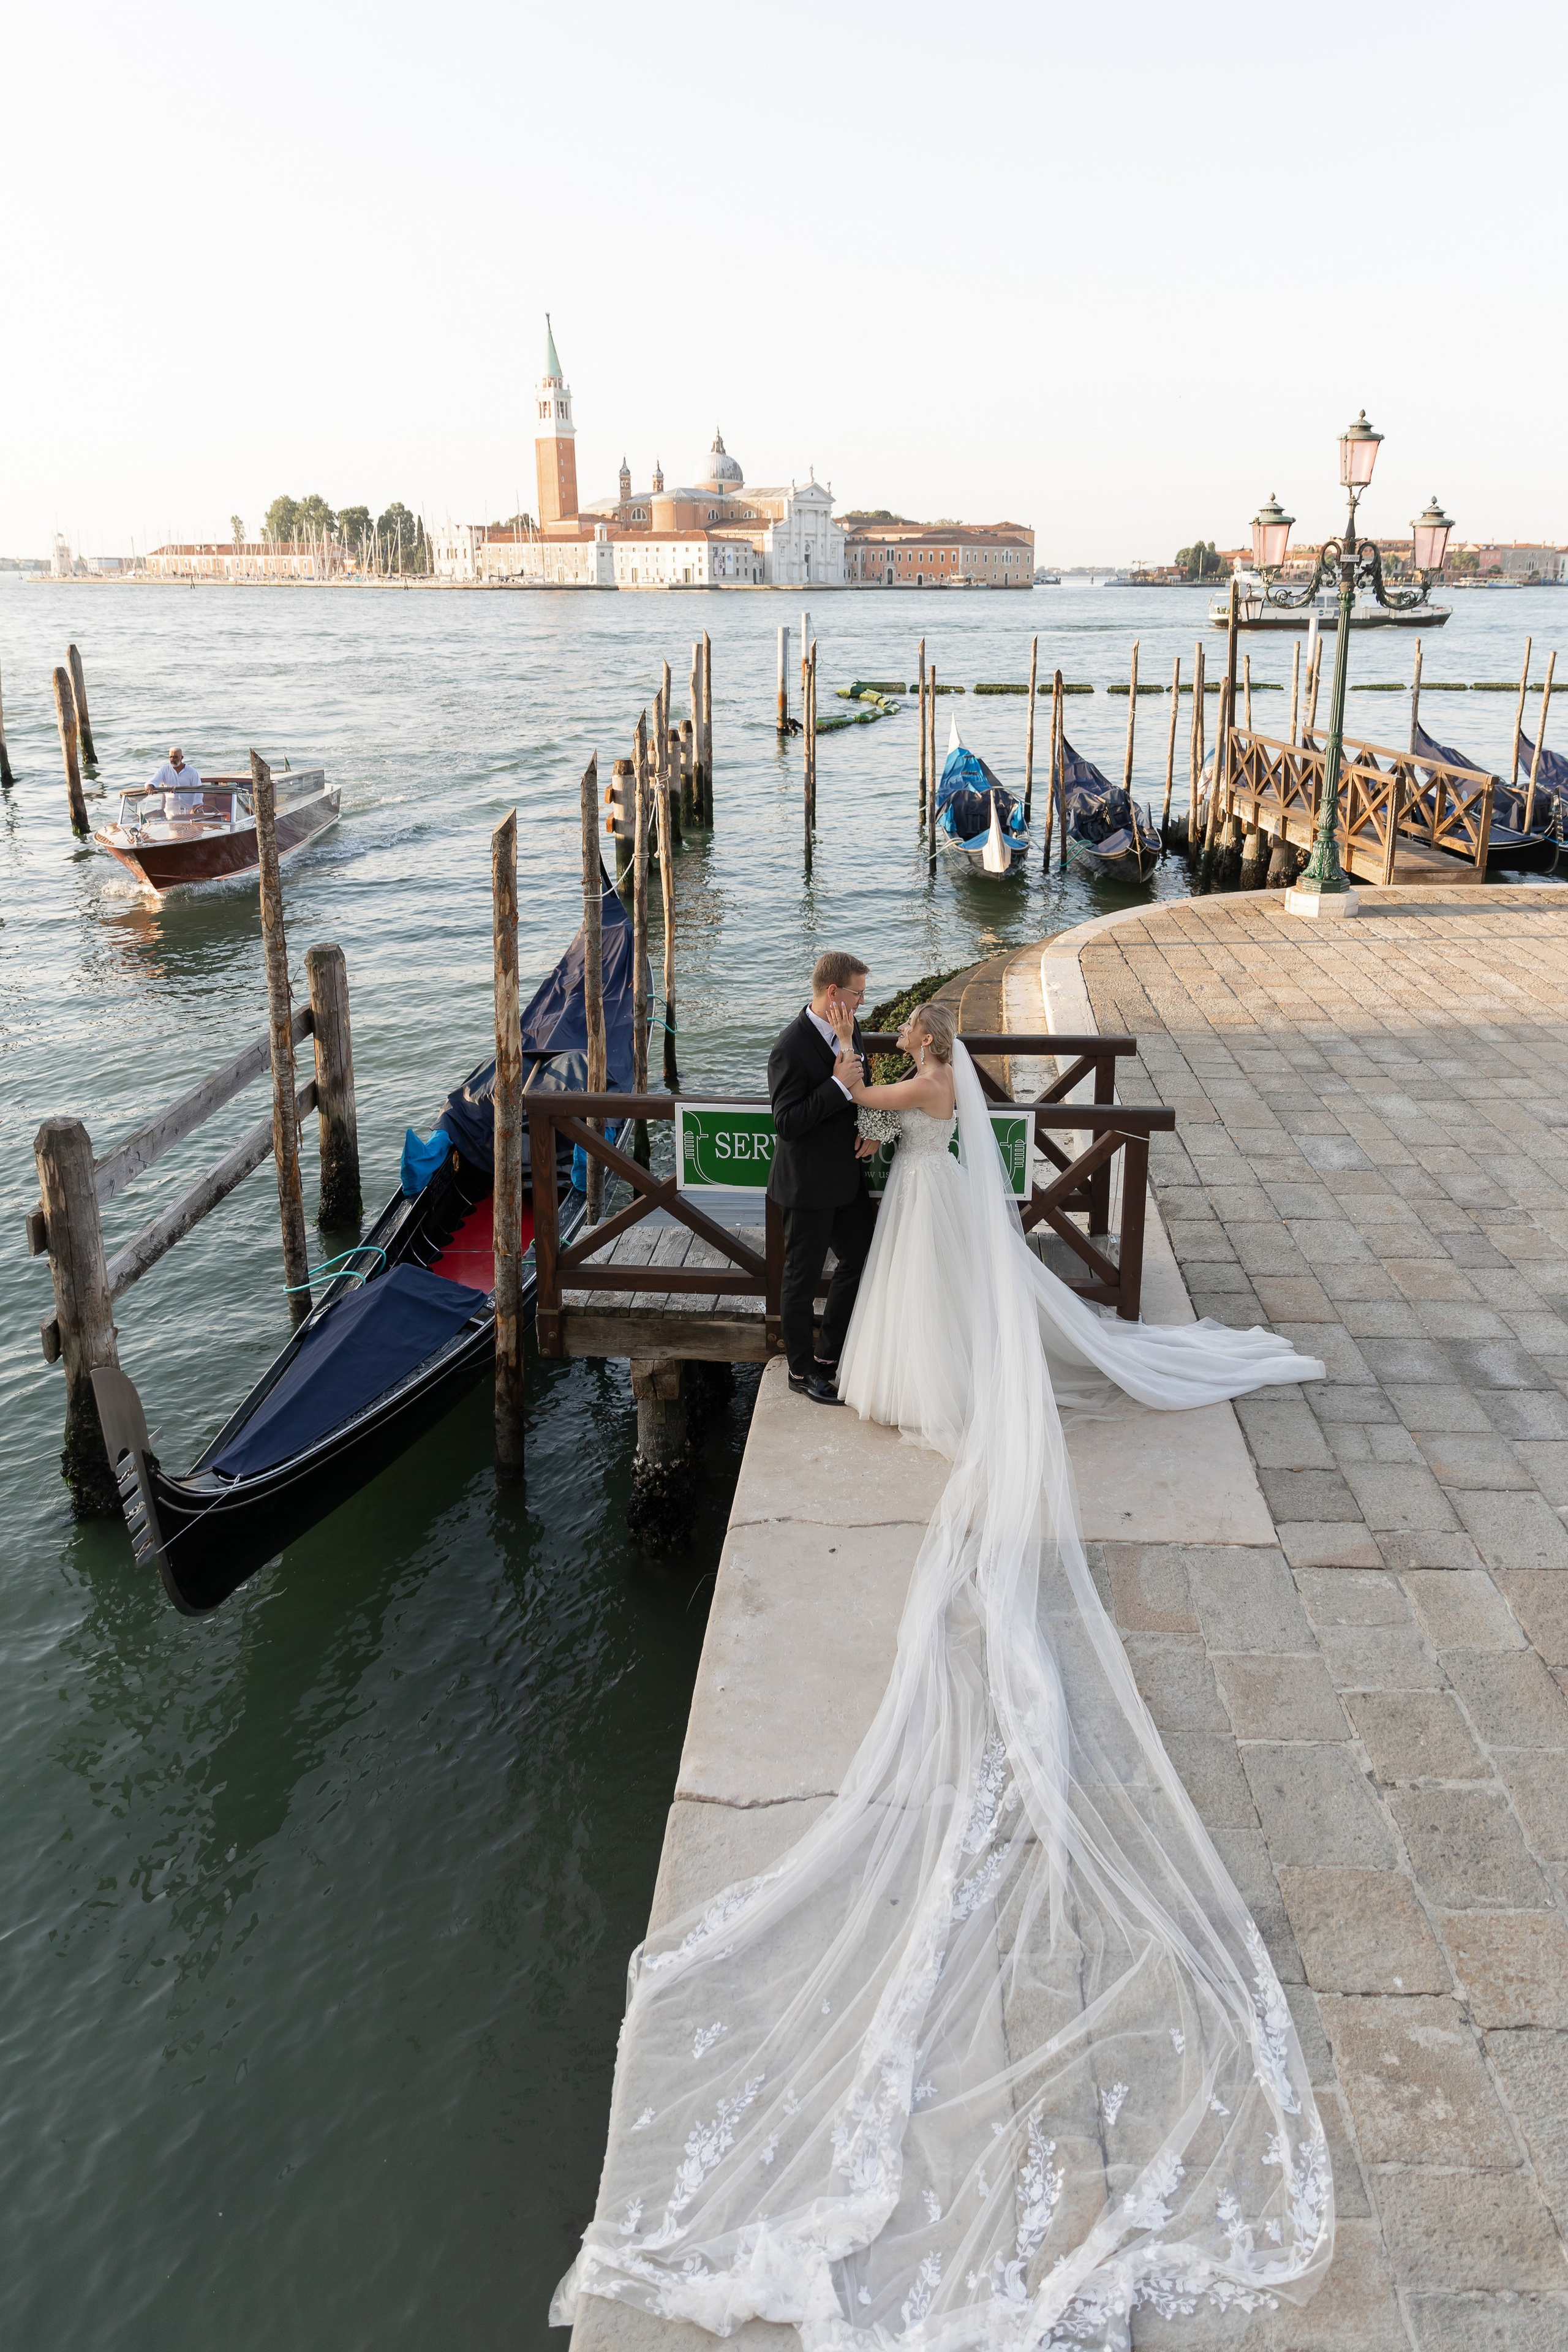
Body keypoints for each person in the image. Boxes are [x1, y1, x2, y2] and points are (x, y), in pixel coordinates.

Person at [553, 1013, 1336, 2351]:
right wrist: (865, 1093)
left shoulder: (921, 1079)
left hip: (904, 1206)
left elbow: (875, 1103)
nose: (898, 1045)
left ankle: (897, 1387)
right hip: (918, 1213)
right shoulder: (944, 1086)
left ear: (924, 1042)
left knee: (909, 1336)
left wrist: (863, 1085)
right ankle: (895, 1380)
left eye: (907, 1036)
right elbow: (879, 1108)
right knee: (915, 1320)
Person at [764, 949, 879, 1406]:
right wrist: (834, 1086)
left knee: (861, 1255)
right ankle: (799, 1368)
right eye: (859, 994)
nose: (863, 1003)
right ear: (834, 993)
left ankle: (829, 1354)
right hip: (808, 1183)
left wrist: (871, 1129)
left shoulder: (852, 1032)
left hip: (848, 1178)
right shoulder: (789, 1047)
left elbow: (863, 1090)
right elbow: (787, 1123)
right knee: (802, 1279)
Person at [145, 747, 203, 816]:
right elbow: (154, 781)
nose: (172, 760)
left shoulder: (192, 772)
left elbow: (199, 791)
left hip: (190, 812)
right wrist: (150, 786)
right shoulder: (164, 770)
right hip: (171, 813)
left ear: (182, 758)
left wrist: (195, 808)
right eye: (171, 757)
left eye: (175, 757)